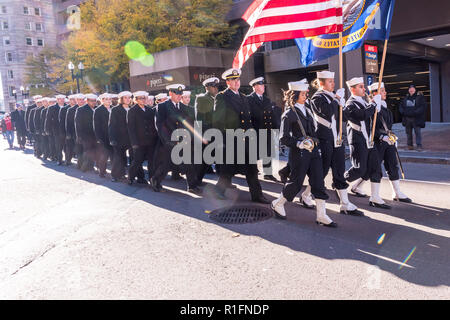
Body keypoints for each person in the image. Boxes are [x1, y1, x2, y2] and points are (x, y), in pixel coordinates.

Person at [271, 80, 336, 227]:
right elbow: (284, 138)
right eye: (303, 94)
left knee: (319, 182)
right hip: (299, 154)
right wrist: (299, 143)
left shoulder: (307, 109)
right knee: (296, 183)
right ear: (294, 95)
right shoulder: (289, 114)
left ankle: (321, 215)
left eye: (306, 93)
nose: (306, 95)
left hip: (313, 152)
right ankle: (278, 203)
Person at [301, 71, 363, 216]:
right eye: (330, 81)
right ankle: (306, 195)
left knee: (339, 171)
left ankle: (345, 204)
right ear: (321, 83)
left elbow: (345, 117)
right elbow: (327, 112)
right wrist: (336, 101)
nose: (333, 84)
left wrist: (343, 105)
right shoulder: (317, 97)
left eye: (333, 81)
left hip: (337, 139)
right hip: (325, 139)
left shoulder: (334, 96)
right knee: (321, 172)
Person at [212, 68, 270, 203]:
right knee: (227, 170)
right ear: (227, 82)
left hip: (246, 140)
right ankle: (218, 191)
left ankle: (257, 195)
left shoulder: (244, 97)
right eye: (233, 80)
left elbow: (247, 119)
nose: (237, 82)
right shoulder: (222, 96)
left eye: (238, 79)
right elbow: (218, 120)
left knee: (252, 169)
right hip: (231, 139)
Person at [344, 77, 390, 209]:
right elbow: (362, 115)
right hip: (358, 141)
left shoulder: (364, 102)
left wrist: (377, 105)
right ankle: (340, 181)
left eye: (363, 86)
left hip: (369, 141)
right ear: (352, 89)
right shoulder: (350, 104)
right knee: (359, 169)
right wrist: (374, 104)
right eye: (360, 87)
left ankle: (375, 197)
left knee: (375, 168)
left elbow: (373, 118)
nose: (364, 89)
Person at [152, 84, 201, 194]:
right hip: (168, 142)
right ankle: (155, 181)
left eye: (180, 94)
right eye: (177, 93)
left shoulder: (184, 107)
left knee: (189, 163)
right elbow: (159, 125)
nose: (179, 96)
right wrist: (168, 140)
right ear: (170, 93)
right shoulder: (162, 106)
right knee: (166, 164)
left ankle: (192, 186)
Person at [369, 82, 412, 203]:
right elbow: (370, 127)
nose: (385, 92)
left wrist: (393, 137)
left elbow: (389, 126)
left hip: (388, 141)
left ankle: (397, 192)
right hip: (378, 142)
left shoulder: (385, 108)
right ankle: (374, 196)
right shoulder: (371, 108)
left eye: (384, 90)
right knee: (376, 168)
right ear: (374, 94)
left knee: (392, 165)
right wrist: (381, 137)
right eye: (382, 91)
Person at [126, 91, 159, 185]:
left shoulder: (149, 110)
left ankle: (153, 180)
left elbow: (153, 125)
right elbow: (131, 128)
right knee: (137, 161)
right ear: (136, 100)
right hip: (139, 142)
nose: (143, 100)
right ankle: (131, 177)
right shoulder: (132, 111)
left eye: (144, 98)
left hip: (150, 141)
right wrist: (134, 143)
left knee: (152, 162)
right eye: (141, 98)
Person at [194, 77, 220, 184]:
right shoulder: (202, 98)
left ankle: (225, 182)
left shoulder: (218, 98)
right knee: (205, 160)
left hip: (218, 133)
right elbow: (199, 118)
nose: (216, 89)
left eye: (216, 86)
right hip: (208, 134)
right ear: (207, 88)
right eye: (213, 87)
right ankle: (196, 180)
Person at [109, 91, 133, 182]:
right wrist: (112, 139)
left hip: (131, 138)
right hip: (119, 138)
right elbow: (111, 125)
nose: (127, 99)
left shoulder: (132, 108)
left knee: (133, 157)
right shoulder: (115, 109)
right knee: (119, 158)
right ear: (121, 99)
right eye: (125, 97)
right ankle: (115, 175)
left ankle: (130, 175)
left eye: (129, 97)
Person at [75, 93, 98, 172]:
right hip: (85, 135)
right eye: (92, 101)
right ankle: (84, 167)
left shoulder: (96, 108)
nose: (94, 102)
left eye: (95, 101)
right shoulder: (81, 109)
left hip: (94, 135)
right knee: (87, 151)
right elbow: (78, 124)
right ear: (87, 101)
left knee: (93, 151)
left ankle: (90, 166)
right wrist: (79, 136)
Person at [399, 84, 426, 151]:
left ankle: (419, 146)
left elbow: (422, 107)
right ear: (408, 90)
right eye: (410, 88)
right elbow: (401, 107)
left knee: (418, 133)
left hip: (416, 119)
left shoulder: (419, 98)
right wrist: (403, 112)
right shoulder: (405, 98)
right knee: (408, 133)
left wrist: (415, 113)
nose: (411, 90)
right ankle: (410, 145)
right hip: (407, 119)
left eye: (413, 88)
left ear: (415, 90)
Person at [94, 93, 114, 178]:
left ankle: (115, 173)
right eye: (106, 99)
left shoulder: (114, 109)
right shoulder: (98, 110)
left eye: (109, 99)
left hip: (113, 136)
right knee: (104, 156)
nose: (108, 101)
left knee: (114, 156)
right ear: (102, 100)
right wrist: (99, 138)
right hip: (103, 137)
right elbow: (96, 126)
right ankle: (102, 171)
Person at [45, 95, 67, 165]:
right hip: (56, 130)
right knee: (58, 146)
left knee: (67, 146)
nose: (61, 100)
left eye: (62, 99)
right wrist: (47, 129)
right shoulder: (52, 108)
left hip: (66, 129)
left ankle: (67, 159)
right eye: (59, 99)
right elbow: (48, 119)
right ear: (57, 100)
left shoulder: (67, 107)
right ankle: (59, 159)